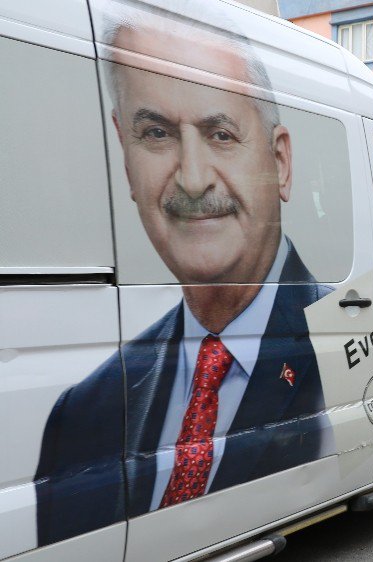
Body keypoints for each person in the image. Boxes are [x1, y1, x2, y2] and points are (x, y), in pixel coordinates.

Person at [33, 9, 330, 546]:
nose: (192, 179)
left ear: (281, 162)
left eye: (220, 133)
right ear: (125, 158)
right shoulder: (80, 416)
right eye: (156, 133)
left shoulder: (344, 346)